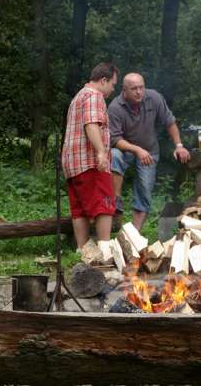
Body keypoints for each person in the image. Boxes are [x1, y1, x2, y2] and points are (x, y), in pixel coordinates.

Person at [109, 72, 191, 230]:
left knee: (144, 190)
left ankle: (134, 235)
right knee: (114, 155)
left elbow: (170, 122)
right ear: (124, 90)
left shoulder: (154, 98)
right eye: (134, 89)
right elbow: (115, 140)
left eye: (141, 87)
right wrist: (137, 150)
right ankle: (116, 199)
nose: (139, 92)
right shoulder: (115, 107)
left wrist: (179, 145)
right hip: (125, 149)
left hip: (149, 150)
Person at [61, 62, 118, 256]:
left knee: (80, 211)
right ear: (103, 80)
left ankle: (84, 251)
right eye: (112, 84)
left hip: (72, 163)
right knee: (104, 204)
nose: (113, 89)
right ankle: (104, 249)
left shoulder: (79, 96)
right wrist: (101, 152)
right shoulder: (95, 96)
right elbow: (91, 124)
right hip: (90, 162)